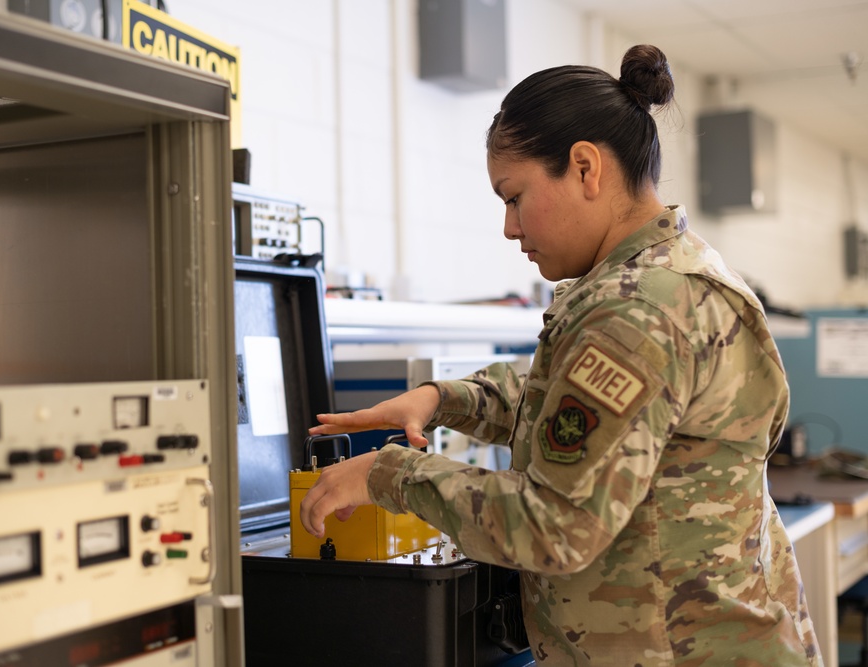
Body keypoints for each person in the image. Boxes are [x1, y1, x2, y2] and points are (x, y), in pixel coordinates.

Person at [299, 44, 822, 666]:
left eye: (514, 197)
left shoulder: (638, 308)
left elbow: (555, 528)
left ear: (584, 168)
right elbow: (579, 405)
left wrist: (386, 475)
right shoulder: (663, 275)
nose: (510, 228)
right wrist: (444, 399)